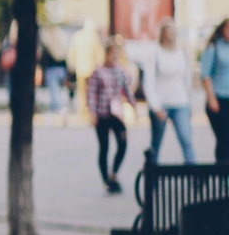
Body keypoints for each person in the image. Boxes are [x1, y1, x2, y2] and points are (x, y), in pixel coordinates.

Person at [139, 20, 198, 165]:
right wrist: (156, 106)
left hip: (180, 102)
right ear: (163, 35)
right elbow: (149, 82)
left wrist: (189, 103)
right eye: (168, 32)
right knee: (156, 143)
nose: (172, 35)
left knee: (186, 139)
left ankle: (194, 174)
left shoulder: (181, 53)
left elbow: (187, 80)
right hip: (161, 103)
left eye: (174, 32)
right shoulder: (155, 53)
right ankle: (152, 177)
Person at [87, 42, 137, 192]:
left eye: (116, 53)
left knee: (122, 143)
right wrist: (93, 113)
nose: (114, 56)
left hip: (116, 114)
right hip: (102, 113)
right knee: (104, 147)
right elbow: (91, 94)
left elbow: (126, 89)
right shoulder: (98, 72)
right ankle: (106, 180)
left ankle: (114, 172)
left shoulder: (120, 71)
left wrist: (133, 105)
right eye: (111, 53)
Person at [200, 19, 229, 160]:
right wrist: (211, 98)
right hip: (219, 99)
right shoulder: (214, 47)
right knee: (224, 138)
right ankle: (222, 172)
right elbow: (205, 75)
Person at [68, 19, 105, 123]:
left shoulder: (77, 36)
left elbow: (71, 52)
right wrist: (100, 67)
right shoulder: (94, 37)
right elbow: (99, 54)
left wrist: (72, 65)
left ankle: (83, 112)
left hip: (81, 69)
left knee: (82, 92)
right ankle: (89, 113)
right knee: (91, 92)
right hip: (91, 69)